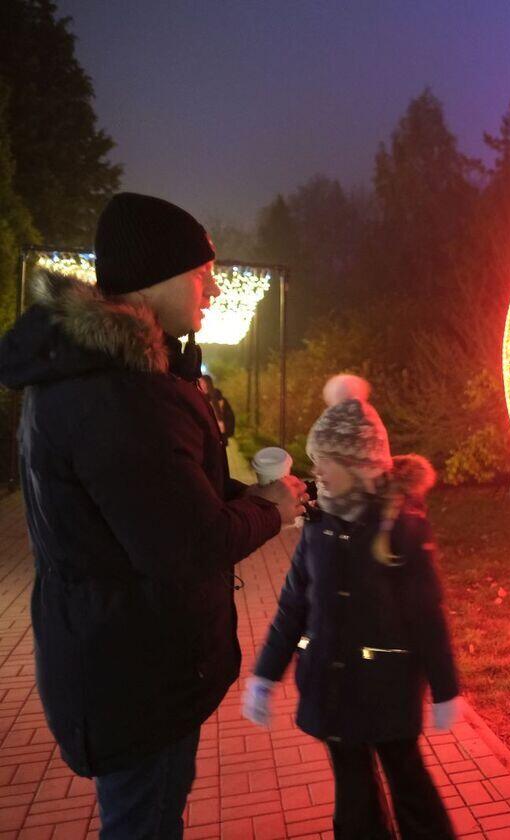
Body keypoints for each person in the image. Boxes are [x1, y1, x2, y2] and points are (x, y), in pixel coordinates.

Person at [0, 192, 306, 838]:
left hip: (114, 662)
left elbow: (163, 500)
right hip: (137, 680)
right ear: (153, 277)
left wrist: (240, 495)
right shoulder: (120, 394)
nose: (214, 288)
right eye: (202, 273)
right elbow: (187, 546)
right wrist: (271, 508)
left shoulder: (96, 372)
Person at [243, 374, 461, 840]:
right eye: (316, 460)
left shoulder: (400, 527)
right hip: (330, 689)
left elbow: (427, 614)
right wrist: (264, 675)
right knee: (354, 800)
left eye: (327, 460)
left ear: (360, 465)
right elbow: (293, 605)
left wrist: (446, 688)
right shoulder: (318, 524)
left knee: (409, 787)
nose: (317, 470)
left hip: (387, 691)